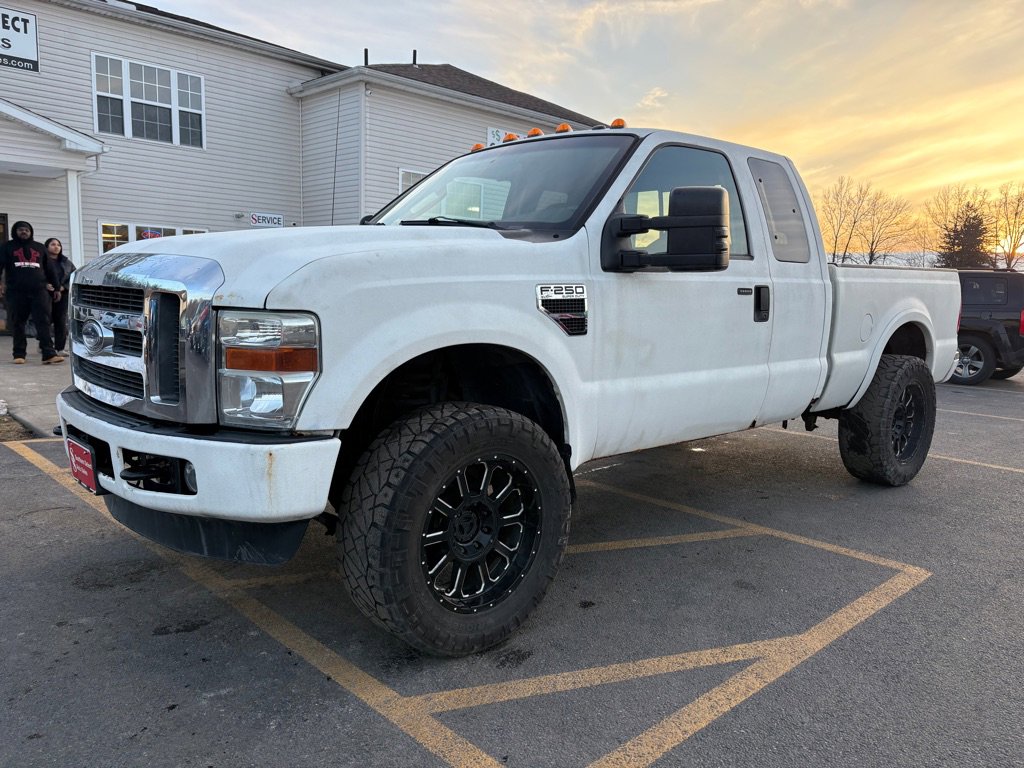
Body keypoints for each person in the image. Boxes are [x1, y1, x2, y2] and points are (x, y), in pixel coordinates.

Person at [0, 221, 64, 364]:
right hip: (16, 291)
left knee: (43, 321)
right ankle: (19, 354)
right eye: (21, 230)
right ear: (15, 231)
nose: (24, 232)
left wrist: (57, 287)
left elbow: (50, 269)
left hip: (39, 291)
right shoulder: (7, 247)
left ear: (31, 232)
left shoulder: (40, 247)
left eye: (27, 230)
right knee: (18, 322)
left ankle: (48, 354)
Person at [44, 237, 75, 353]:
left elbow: (74, 275)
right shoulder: (42, 261)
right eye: (53, 244)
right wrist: (45, 284)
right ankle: (45, 345)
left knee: (61, 321)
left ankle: (60, 348)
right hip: (45, 294)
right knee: (46, 320)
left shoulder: (66, 262)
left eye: (58, 245)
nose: (56, 247)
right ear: (46, 247)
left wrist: (64, 287)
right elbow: (36, 275)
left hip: (62, 294)